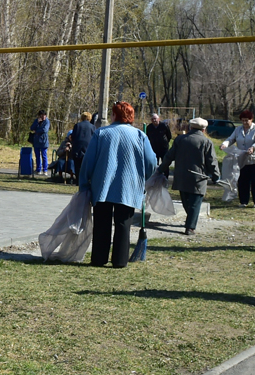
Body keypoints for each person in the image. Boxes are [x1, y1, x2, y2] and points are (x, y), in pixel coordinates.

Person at [78, 102, 157, 268]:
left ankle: (99, 258)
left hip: (103, 186)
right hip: (129, 186)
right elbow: (151, 162)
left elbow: (88, 161)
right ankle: (120, 260)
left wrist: (84, 183)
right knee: (123, 224)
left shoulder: (101, 133)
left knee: (102, 223)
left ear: (114, 115)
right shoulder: (139, 135)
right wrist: (144, 178)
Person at [159, 117, 220, 235]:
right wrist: (216, 175)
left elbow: (169, 156)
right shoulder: (206, 142)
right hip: (198, 177)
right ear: (204, 129)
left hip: (181, 176)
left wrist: (161, 169)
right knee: (195, 203)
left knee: (186, 201)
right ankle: (190, 227)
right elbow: (212, 161)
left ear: (190, 127)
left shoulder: (180, 139)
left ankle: (189, 221)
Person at [223, 109, 255, 208]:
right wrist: (225, 144)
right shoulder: (238, 129)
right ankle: (243, 201)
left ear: (251, 119)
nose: (245, 123)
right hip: (242, 160)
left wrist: (253, 148)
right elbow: (231, 139)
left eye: (247, 120)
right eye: (243, 120)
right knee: (242, 181)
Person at [69, 111, 95, 179]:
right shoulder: (92, 127)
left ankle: (78, 180)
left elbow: (73, 136)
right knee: (86, 165)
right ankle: (85, 179)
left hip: (77, 147)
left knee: (77, 165)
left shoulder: (77, 125)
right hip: (88, 148)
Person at [29, 110, 52, 176]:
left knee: (44, 156)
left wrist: (36, 131)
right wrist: (37, 123)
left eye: (44, 115)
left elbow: (44, 130)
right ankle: (38, 169)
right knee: (37, 156)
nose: (43, 117)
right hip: (36, 141)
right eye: (42, 115)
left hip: (43, 141)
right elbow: (31, 128)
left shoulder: (47, 121)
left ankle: (45, 170)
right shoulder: (37, 121)